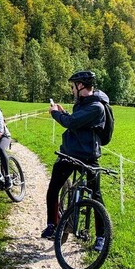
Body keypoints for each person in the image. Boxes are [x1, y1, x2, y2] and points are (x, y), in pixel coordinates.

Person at [42, 71, 108, 250]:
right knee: (53, 188)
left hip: (88, 156)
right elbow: (77, 122)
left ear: (80, 86)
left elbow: (71, 123)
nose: (71, 90)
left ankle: (101, 236)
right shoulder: (82, 103)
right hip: (69, 154)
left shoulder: (97, 107)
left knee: (95, 195)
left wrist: (56, 114)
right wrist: (66, 113)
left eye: (72, 86)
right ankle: (52, 225)